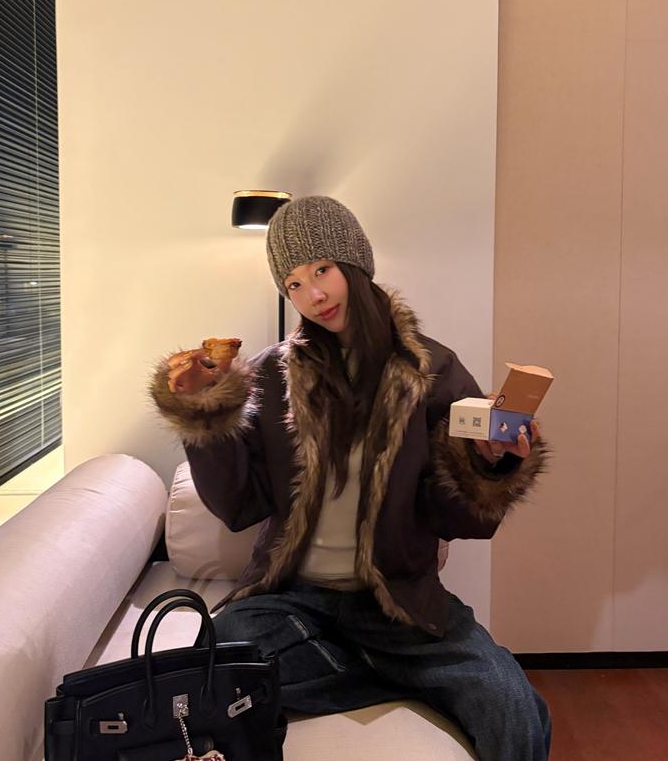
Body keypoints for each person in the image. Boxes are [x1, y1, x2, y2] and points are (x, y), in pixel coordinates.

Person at [150, 195, 552, 761]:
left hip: (397, 605)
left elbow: (460, 519)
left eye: (322, 270)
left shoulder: (433, 371)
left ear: (355, 263)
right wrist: (206, 419)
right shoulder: (270, 375)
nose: (313, 295)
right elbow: (240, 505)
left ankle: (388, 668)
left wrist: (490, 464)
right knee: (214, 655)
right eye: (293, 284)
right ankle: (397, 678)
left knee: (512, 706)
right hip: (291, 601)